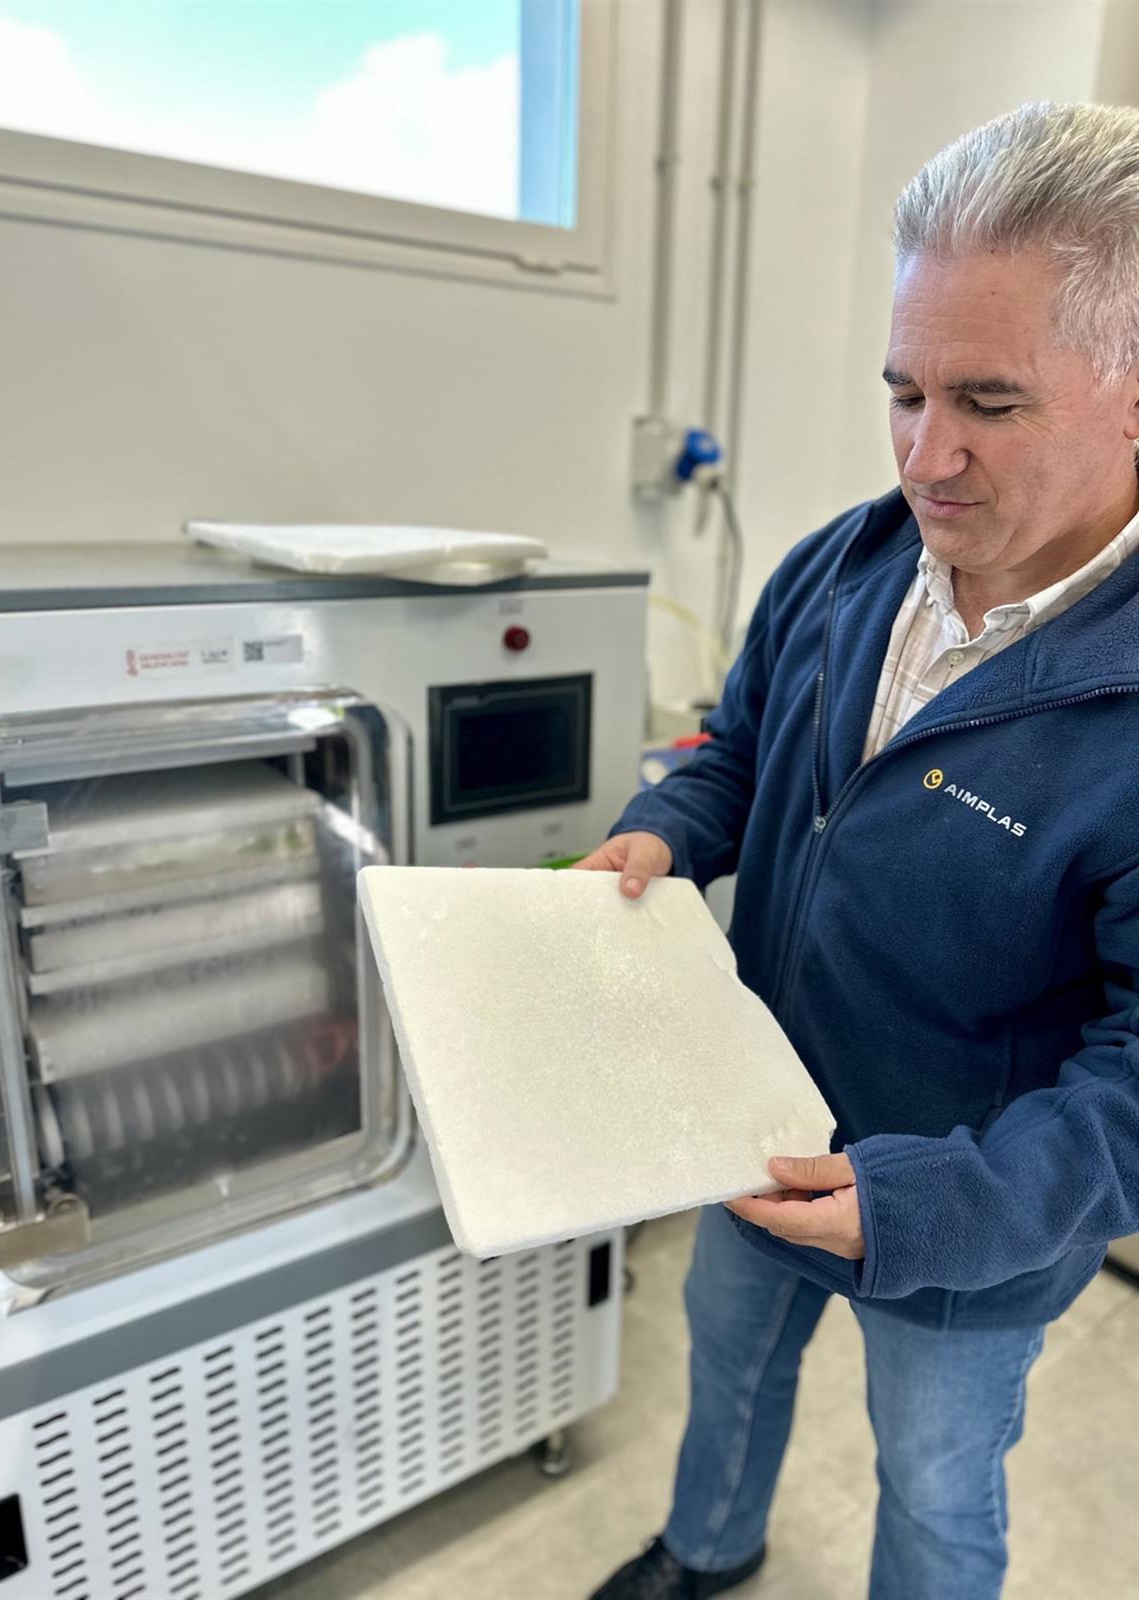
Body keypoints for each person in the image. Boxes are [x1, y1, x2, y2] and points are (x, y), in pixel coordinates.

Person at [579, 102, 1139, 1600]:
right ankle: (707, 1553)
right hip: (750, 1130)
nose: (926, 456)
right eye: (903, 391)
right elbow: (737, 751)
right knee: (726, 1367)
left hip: (965, 1224)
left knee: (937, 1488)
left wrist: (929, 1206)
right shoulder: (843, 565)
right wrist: (663, 830)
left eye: (990, 402)